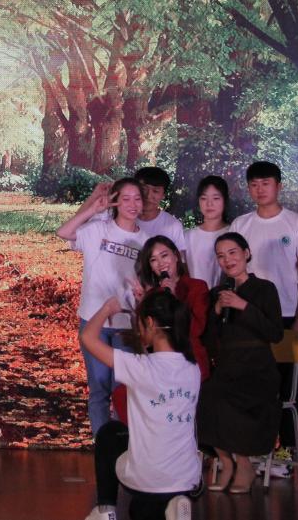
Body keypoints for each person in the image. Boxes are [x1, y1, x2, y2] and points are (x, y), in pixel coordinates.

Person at [80, 290, 201, 520]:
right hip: (185, 477)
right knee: (141, 510)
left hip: (148, 477)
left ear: (150, 323)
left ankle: (105, 511)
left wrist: (107, 309)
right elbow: (161, 359)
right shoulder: (192, 368)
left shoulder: (139, 367)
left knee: (109, 434)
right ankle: (177, 503)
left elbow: (88, 337)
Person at [228, 161, 298, 471]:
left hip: (287, 315)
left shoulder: (296, 224)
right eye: (254, 184)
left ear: (279, 185)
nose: (259, 189)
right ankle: (253, 449)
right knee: (251, 385)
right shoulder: (241, 225)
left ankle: (288, 451)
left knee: (287, 388)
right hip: (248, 315)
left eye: (265, 183)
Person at [57, 178, 150, 436]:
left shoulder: (147, 241)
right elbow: (64, 232)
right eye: (125, 199)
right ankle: (103, 446)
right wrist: (93, 208)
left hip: (127, 325)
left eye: (137, 199)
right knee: (99, 388)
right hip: (93, 320)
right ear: (115, 201)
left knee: (123, 389)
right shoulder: (98, 229)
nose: (132, 204)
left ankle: (123, 446)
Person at [196, 232, 283, 494]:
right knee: (208, 396)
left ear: (246, 253)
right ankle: (226, 462)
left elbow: (275, 333)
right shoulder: (217, 293)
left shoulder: (265, 289)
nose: (227, 260)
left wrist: (243, 306)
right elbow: (208, 340)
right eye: (221, 256)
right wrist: (216, 313)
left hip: (258, 368)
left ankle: (244, 465)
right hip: (227, 366)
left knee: (233, 400)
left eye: (232, 253)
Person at [134, 236, 210, 381]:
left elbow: (196, 329)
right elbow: (146, 338)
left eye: (164, 255)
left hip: (191, 363)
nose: (160, 263)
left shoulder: (197, 287)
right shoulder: (152, 295)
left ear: (176, 256)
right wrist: (142, 305)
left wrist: (175, 297)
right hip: (162, 368)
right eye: (153, 260)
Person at [184, 176, 231, 289]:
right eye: (204, 198)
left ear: (225, 200)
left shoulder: (233, 232)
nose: (209, 204)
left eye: (216, 198)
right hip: (195, 297)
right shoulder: (188, 236)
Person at [133, 167, 187, 255]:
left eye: (155, 191)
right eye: (143, 189)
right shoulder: (118, 216)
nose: (148, 196)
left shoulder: (173, 226)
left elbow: (179, 259)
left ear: (163, 195)